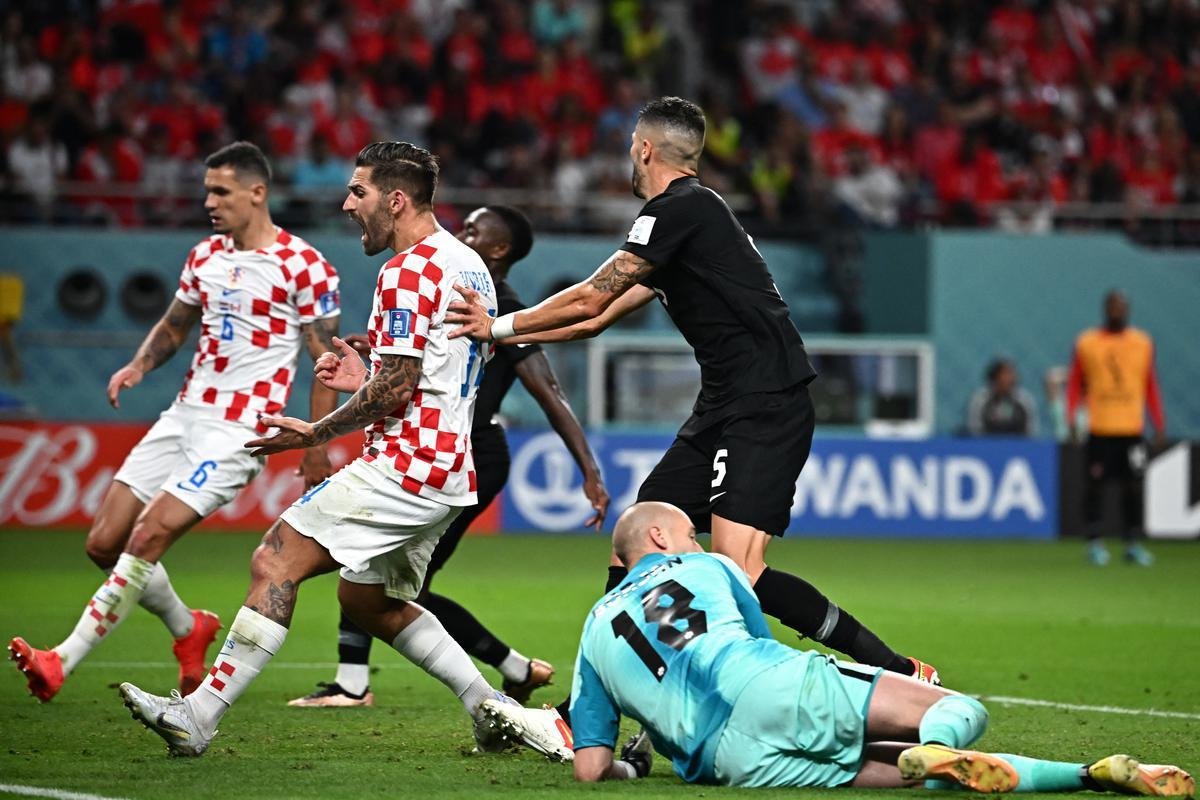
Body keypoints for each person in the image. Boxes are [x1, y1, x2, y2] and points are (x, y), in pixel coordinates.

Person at [449, 97, 937, 725]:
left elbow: (590, 295)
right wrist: (508, 333)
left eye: (631, 146)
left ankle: (896, 673)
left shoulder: (685, 209)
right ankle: (580, 713)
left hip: (766, 401)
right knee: (634, 545)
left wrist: (498, 326)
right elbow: (596, 318)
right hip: (721, 406)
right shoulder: (684, 227)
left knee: (738, 573)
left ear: (645, 149)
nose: (629, 155)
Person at [115, 141, 566, 761]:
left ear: (397, 199)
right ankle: (496, 709)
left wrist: (316, 431)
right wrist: (368, 372)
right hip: (447, 465)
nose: (346, 203)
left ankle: (198, 715)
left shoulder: (408, 270)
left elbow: (400, 386)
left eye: (359, 192)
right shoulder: (466, 264)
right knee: (370, 601)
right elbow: (431, 370)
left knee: (276, 561)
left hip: (405, 465)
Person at [485, 501, 1195, 795]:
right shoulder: (711, 567)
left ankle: (1092, 774)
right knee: (959, 711)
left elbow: (589, 768)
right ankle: (939, 739)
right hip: (770, 685)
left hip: (730, 764)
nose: (697, 541)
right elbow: (760, 648)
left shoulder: (591, 631)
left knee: (906, 776)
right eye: (691, 532)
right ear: (664, 539)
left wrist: (631, 767)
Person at [9, 141, 342, 702]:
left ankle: (62, 658)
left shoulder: (304, 265)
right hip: (182, 415)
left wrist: (316, 442)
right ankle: (190, 630)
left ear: (257, 193)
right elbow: (174, 323)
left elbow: (325, 358)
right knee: (104, 542)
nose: (209, 201)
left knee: (149, 534)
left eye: (221, 191)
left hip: (241, 429)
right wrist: (139, 364)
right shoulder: (204, 256)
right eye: (207, 191)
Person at [290, 205, 610, 708]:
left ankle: (363, 683)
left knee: (385, 579)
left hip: (467, 451)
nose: (459, 234)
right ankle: (509, 669)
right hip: (441, 447)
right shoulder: (450, 285)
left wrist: (589, 471)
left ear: (499, 249)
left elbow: (548, 389)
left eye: (473, 230)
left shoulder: (499, 305)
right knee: (381, 577)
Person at [1066, 290, 1165, 567]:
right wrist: (1072, 418)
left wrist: (1158, 422)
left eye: (1121, 306)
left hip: (1132, 429)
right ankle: (1095, 543)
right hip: (1100, 427)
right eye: (1112, 306)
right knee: (1095, 486)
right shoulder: (1087, 342)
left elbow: (1150, 383)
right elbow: (1076, 383)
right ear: (1104, 309)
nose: (1116, 311)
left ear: (1128, 310)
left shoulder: (1142, 342)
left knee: (1133, 486)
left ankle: (1133, 543)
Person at [965, 358, 1039, 436]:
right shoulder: (980, 399)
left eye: (1012, 374)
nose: (1010, 378)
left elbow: (1031, 431)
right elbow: (975, 430)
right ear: (994, 377)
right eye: (1005, 374)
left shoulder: (1024, 400)